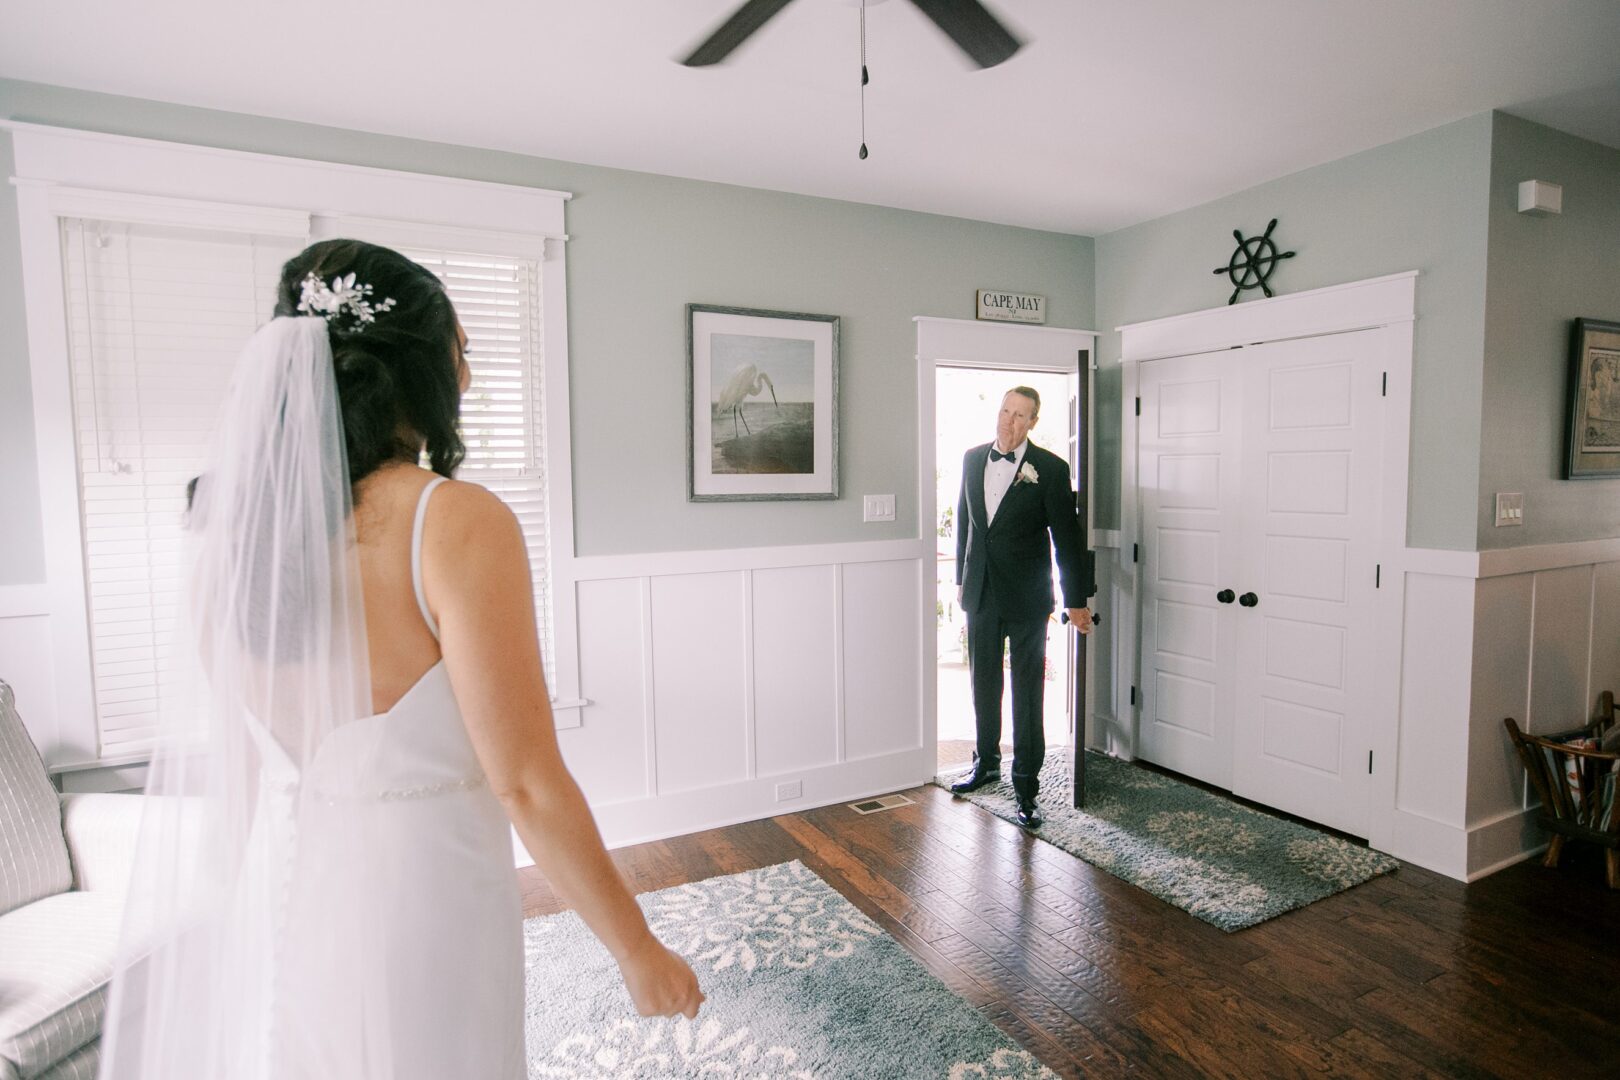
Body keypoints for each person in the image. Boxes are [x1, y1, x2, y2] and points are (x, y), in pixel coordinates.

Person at [99, 240, 701, 1080]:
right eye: (462, 353)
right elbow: (525, 780)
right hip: (418, 903)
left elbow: (238, 772)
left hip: (277, 898)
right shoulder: (453, 522)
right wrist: (637, 949)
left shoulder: (228, 540)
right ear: (416, 367)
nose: (468, 377)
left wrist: (218, 936)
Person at [950, 386, 1094, 829]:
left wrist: (1076, 601)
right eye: (1005, 411)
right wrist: (961, 579)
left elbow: (1067, 541)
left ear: (1032, 422)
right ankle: (986, 761)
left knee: (1028, 694)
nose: (1008, 422)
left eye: (1019, 416)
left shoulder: (1050, 469)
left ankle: (1027, 787)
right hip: (982, 595)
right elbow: (965, 525)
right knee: (983, 684)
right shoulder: (974, 458)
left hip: (1029, 600)